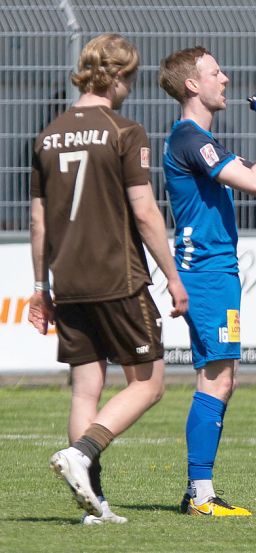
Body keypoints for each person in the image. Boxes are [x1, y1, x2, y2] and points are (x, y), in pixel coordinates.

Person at [28, 33, 188, 524]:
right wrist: (173, 276)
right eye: (132, 79)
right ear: (118, 77)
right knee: (149, 383)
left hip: (68, 279)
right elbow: (144, 213)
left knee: (85, 390)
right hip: (118, 276)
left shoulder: (46, 136)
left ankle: (94, 505)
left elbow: (39, 221)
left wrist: (41, 288)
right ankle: (83, 452)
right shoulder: (124, 131)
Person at [158, 46, 256, 517]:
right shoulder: (190, 138)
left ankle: (198, 490)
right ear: (192, 85)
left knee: (221, 378)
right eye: (215, 72)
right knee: (217, 379)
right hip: (207, 274)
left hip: (217, 273)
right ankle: (200, 493)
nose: (226, 78)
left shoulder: (199, 141)